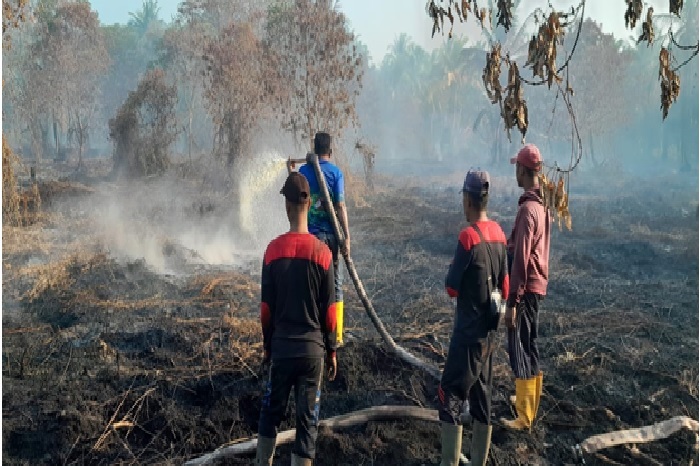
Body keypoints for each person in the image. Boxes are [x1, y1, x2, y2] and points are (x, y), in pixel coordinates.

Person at [256, 172, 338, 466]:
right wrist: (331, 351)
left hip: (281, 351)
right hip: (312, 354)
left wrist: (268, 347)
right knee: (307, 428)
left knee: (270, 416)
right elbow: (330, 313)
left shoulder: (272, 250)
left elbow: (266, 310)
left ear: (287, 206)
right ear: (310, 204)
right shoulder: (323, 253)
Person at [439, 170, 510, 466]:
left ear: (468, 200)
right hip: (490, 337)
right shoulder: (499, 234)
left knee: (449, 397)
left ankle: (449, 463)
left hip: (468, 336)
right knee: (483, 400)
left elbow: (452, 288)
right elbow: (505, 287)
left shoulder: (468, 238)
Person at [501, 143, 551, 431]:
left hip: (526, 287)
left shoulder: (527, 211)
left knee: (519, 345)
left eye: (517, 169)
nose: (515, 174)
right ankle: (529, 403)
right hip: (537, 285)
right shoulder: (542, 206)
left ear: (523, 169)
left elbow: (519, 259)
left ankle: (523, 416)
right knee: (530, 343)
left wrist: (512, 302)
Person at [298, 132, 350, 345]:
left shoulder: (303, 171)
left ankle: (313, 330)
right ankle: (336, 335)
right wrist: (347, 236)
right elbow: (340, 206)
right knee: (335, 283)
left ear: (314, 149)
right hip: (331, 238)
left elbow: (295, 194)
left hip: (310, 239)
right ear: (330, 150)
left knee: (310, 283)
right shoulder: (336, 173)